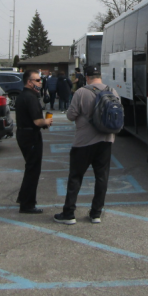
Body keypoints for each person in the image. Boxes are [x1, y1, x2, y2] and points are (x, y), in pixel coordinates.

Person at [54, 65, 117, 225]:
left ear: (87, 77)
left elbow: (70, 115)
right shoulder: (113, 91)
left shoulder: (81, 92)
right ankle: (96, 213)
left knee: (75, 177)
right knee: (101, 178)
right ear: (100, 76)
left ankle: (69, 213)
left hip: (83, 142)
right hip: (106, 140)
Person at [14, 69, 53, 214]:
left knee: (30, 168)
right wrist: (46, 121)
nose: (40, 82)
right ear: (29, 82)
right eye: (37, 80)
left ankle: (23, 198)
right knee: (33, 170)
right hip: (30, 136)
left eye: (40, 80)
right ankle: (27, 204)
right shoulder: (30, 97)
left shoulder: (25, 95)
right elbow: (37, 121)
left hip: (24, 134)